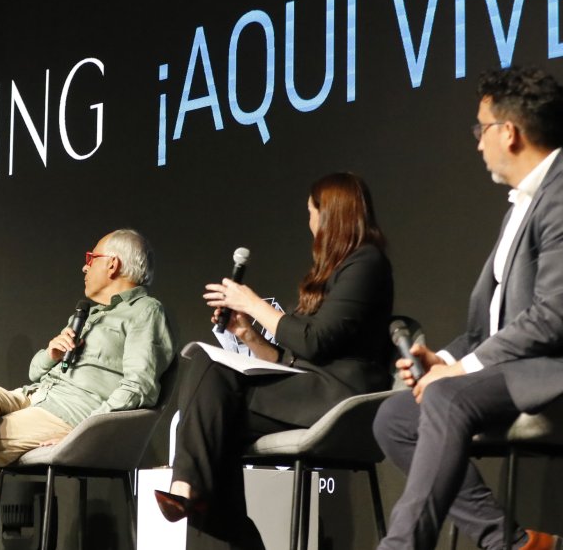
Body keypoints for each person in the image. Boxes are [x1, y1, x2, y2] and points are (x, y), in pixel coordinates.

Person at [374, 67, 563, 550]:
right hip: (523, 361)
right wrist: (446, 361)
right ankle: (514, 544)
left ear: (508, 133)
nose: (477, 143)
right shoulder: (526, 202)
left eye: (481, 128)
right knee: (393, 420)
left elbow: (557, 318)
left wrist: (460, 373)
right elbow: (490, 323)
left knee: (446, 398)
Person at [155, 172, 394, 549]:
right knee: (209, 370)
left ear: (331, 214)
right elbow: (293, 356)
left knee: (217, 399)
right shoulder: (332, 272)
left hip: (343, 399)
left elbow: (315, 342)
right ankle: (194, 493)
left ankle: (201, 500)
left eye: (312, 212)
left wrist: (252, 303)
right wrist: (247, 334)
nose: (309, 222)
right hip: (311, 389)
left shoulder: (366, 264)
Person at [0, 228, 176, 550]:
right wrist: (52, 353)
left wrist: (86, 432)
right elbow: (34, 371)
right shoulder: (88, 315)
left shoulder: (145, 312)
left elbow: (140, 386)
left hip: (71, 414)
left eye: (91, 259)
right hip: (35, 396)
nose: (84, 267)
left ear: (113, 265)